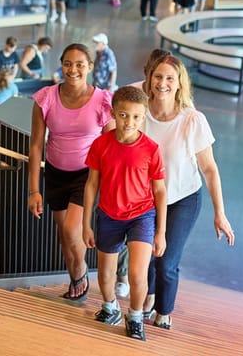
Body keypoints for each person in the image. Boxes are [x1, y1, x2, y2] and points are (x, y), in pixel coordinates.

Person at [143, 55, 235, 330]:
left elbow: (209, 169)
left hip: (182, 199)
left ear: (180, 84)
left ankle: (164, 310)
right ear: (150, 80)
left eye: (170, 78)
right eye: (158, 77)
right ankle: (147, 297)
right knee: (144, 254)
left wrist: (220, 213)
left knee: (166, 260)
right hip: (146, 199)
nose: (163, 83)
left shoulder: (192, 120)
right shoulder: (140, 113)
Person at [27, 43, 115, 301]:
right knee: (65, 237)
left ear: (89, 67)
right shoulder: (46, 98)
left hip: (87, 175)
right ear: (61, 65)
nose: (73, 69)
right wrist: (34, 190)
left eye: (79, 64)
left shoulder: (102, 100)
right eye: (68, 64)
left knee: (70, 229)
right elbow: (35, 146)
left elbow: (110, 147)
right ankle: (75, 277)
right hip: (55, 173)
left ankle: (81, 273)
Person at [83, 86, 166, 341]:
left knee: (137, 274)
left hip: (142, 216)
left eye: (136, 117)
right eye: (123, 115)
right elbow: (91, 185)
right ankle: (110, 307)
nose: (129, 122)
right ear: (113, 113)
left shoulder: (151, 149)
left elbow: (160, 191)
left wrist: (160, 232)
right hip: (109, 215)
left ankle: (136, 316)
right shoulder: (100, 145)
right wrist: (86, 224)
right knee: (105, 275)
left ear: (144, 117)